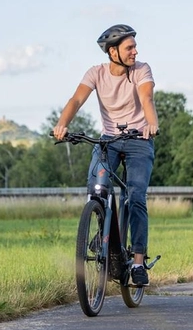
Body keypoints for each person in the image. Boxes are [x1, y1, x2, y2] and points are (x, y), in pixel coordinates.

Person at [52, 24, 159, 287]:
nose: (135, 51)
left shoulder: (141, 70)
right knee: (97, 189)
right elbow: (76, 100)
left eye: (135, 46)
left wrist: (151, 123)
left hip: (138, 140)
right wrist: (62, 124)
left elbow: (147, 99)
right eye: (129, 47)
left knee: (135, 196)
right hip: (108, 140)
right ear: (113, 52)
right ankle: (103, 234)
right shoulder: (96, 73)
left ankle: (136, 263)